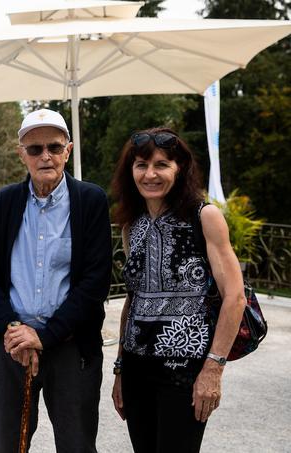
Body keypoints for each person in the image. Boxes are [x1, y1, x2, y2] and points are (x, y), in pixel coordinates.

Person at [0, 108, 112, 452]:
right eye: (35, 149)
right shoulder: (5, 202)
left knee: (77, 444)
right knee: (7, 444)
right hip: (12, 344)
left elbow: (95, 281)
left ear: (68, 150)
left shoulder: (90, 200)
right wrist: (12, 328)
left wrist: (44, 336)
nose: (45, 156)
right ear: (22, 154)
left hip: (70, 345)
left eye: (53, 146)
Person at [109, 127, 246, 453]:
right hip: (137, 368)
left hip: (184, 369)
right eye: (141, 165)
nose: (150, 174)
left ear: (179, 168)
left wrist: (213, 369)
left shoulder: (204, 216)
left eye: (161, 165)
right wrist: (119, 369)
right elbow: (133, 298)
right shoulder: (132, 225)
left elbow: (235, 296)